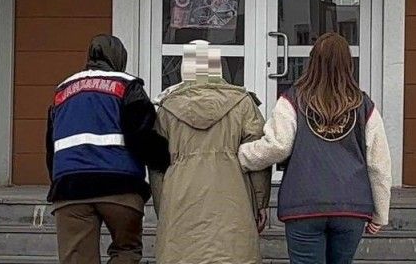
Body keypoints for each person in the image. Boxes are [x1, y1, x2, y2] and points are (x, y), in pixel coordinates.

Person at [239, 32, 392, 264]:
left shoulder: (292, 100)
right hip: (350, 206)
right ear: (348, 63)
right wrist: (380, 213)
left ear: (312, 61)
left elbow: (277, 147)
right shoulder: (364, 105)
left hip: (304, 205)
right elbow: (379, 163)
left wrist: (240, 156)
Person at [46, 34, 170, 264]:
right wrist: (167, 160)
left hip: (70, 188)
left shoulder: (62, 91)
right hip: (120, 187)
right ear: (119, 58)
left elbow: (51, 147)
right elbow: (142, 136)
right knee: (126, 250)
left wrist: (58, 182)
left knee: (77, 259)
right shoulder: (127, 85)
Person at [152, 40, 272, 264]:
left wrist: (163, 210)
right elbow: (258, 157)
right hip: (233, 202)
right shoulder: (243, 104)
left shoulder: (167, 109)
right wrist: (261, 201)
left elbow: (157, 167)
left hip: (181, 203)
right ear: (219, 67)